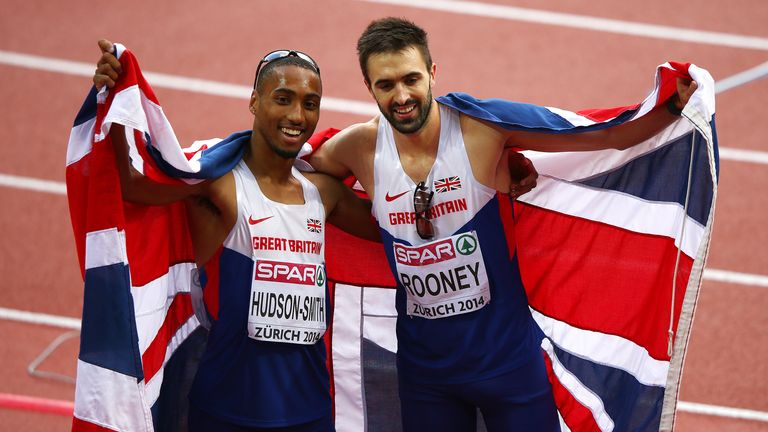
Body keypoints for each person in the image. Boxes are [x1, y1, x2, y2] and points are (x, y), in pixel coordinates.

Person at [306, 17, 699, 432]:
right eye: (386, 85)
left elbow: (601, 136)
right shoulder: (358, 148)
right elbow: (297, 171)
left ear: (433, 74)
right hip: (426, 374)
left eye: (411, 79)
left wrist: (672, 106)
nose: (402, 96)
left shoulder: (481, 129)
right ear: (369, 87)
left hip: (508, 366)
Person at [95, 41, 380, 432]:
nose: (297, 115)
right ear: (254, 101)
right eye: (283, 98)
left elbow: (394, 227)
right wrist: (116, 105)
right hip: (227, 410)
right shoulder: (217, 184)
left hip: (309, 408)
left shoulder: (323, 194)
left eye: (310, 103)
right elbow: (132, 186)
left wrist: (365, 147)